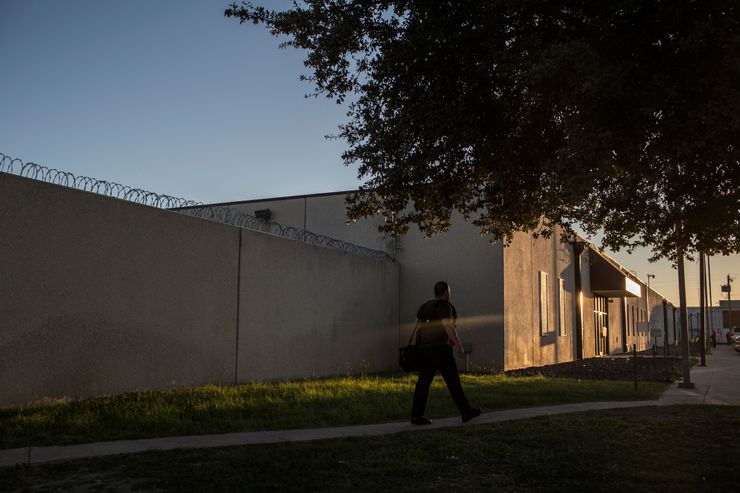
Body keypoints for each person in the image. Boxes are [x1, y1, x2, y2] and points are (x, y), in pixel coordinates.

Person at [410, 281, 482, 425]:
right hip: (440, 351)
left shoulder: (425, 306)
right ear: (446, 292)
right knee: (453, 381)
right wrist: (458, 345)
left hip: (424, 350)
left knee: (423, 383)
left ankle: (416, 416)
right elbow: (447, 325)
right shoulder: (444, 306)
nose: (450, 293)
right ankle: (466, 412)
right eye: (449, 291)